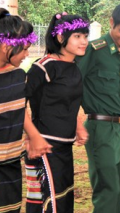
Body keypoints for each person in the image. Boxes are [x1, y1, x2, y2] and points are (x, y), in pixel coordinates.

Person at [0, 8, 51, 213]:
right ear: (5, 46)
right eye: (24, 49)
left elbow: (19, 108)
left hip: (12, 163)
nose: (28, 54)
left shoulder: (18, 75)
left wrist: (34, 135)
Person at [77, 2, 120, 213]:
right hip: (100, 127)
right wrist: (77, 123)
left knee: (118, 188)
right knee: (107, 189)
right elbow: (72, 86)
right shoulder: (94, 51)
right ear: (111, 22)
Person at [25, 13, 90, 213]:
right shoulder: (43, 68)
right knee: (50, 202)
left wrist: (78, 126)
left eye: (85, 36)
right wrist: (32, 137)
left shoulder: (74, 67)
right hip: (44, 147)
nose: (84, 42)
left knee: (63, 198)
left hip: (65, 145)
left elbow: (70, 101)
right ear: (61, 38)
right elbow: (17, 104)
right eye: (78, 36)